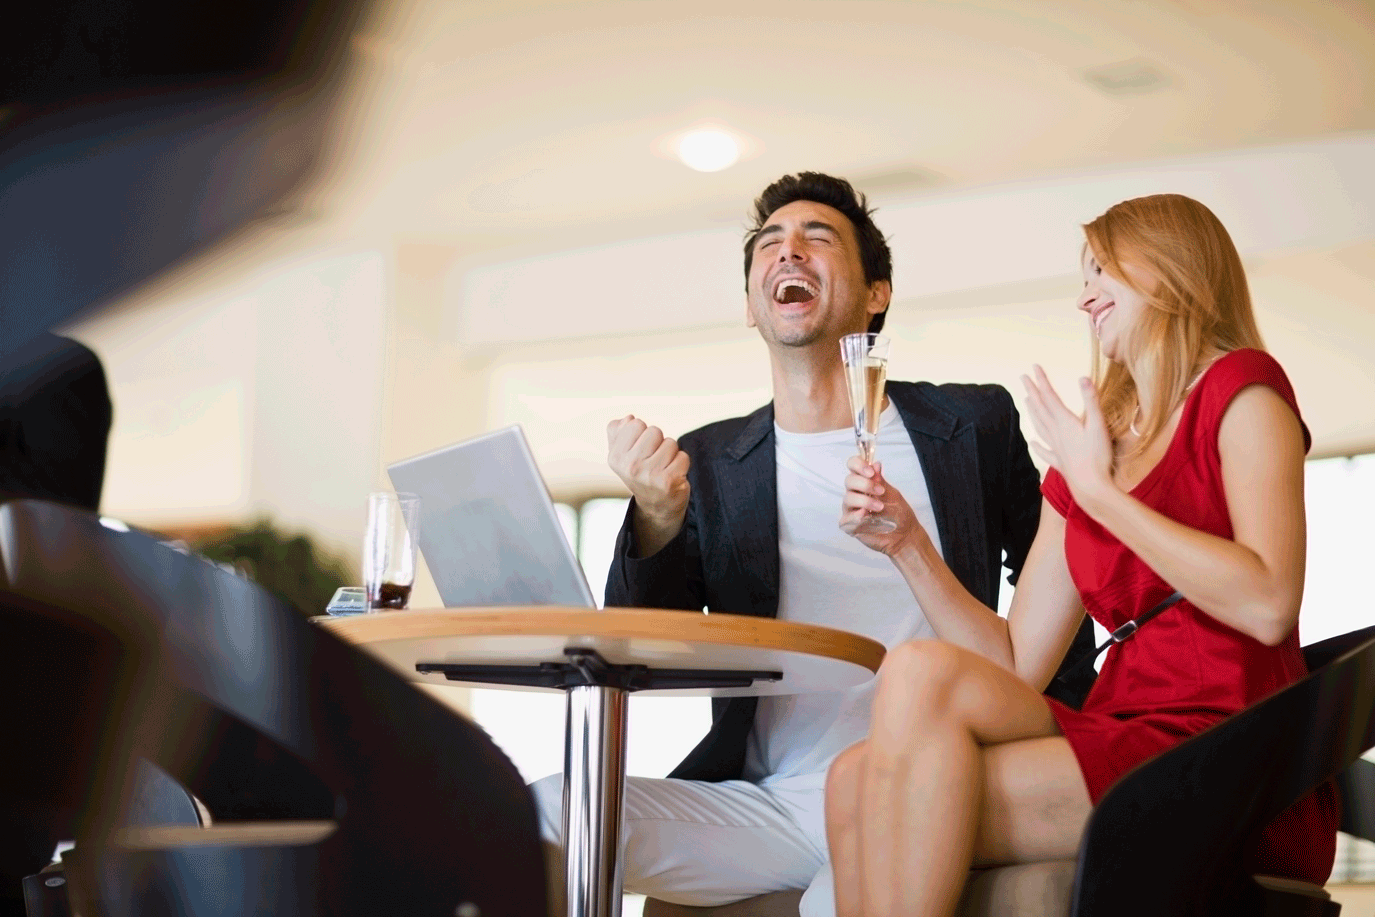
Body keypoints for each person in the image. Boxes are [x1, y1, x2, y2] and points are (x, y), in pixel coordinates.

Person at [530, 172, 1095, 915]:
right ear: (750, 306)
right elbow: (637, 643)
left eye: (817, 238)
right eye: (770, 243)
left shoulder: (971, 424)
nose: (788, 250)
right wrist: (657, 514)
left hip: (920, 782)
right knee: (548, 804)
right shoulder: (710, 461)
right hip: (768, 804)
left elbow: (1059, 588)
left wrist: (1037, 733)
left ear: (875, 294)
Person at [825, 193, 1341, 916]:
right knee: (853, 772)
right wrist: (908, 544)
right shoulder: (1095, 445)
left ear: (1167, 271)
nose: (1083, 296)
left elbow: (1266, 604)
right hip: (1118, 726)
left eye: (1102, 269)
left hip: (1228, 744)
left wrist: (1098, 493)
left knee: (879, 790)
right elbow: (1013, 665)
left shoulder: (1241, 388)